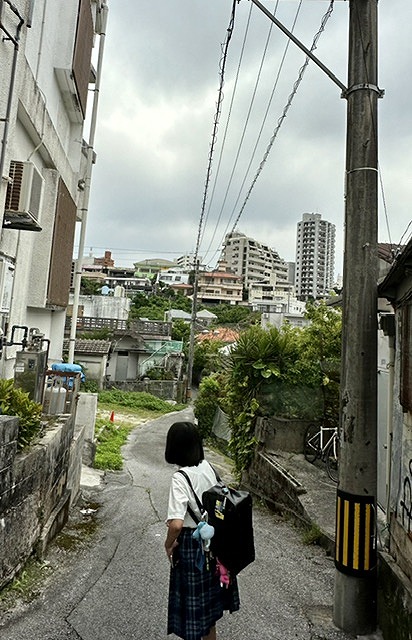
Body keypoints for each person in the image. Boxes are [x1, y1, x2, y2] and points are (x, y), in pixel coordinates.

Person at [164, 421, 240, 640]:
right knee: (208, 615)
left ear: (173, 447)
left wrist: (168, 544)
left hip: (191, 547)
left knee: (192, 617)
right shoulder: (208, 467)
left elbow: (177, 524)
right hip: (215, 545)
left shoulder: (180, 478)